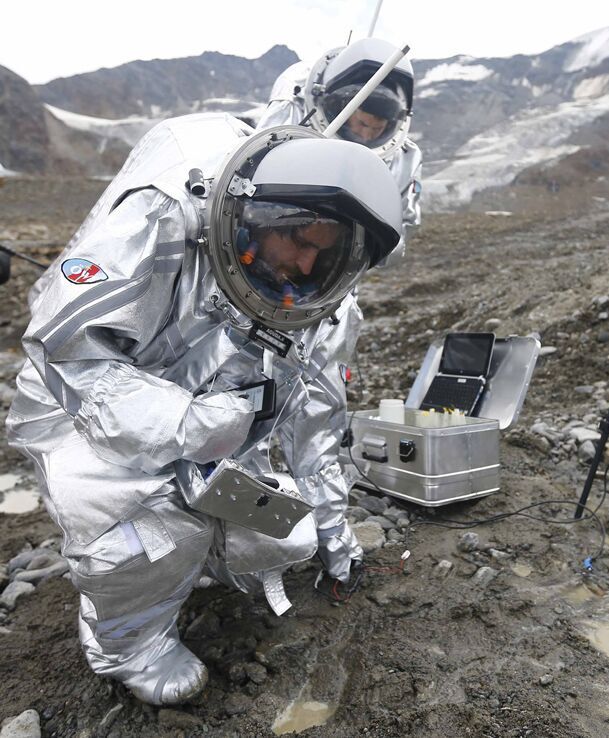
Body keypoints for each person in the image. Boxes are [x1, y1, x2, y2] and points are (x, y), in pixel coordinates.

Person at [5, 111, 403, 705]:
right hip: (81, 412)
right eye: (295, 238)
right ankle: (124, 642)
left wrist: (333, 537)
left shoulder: (323, 314)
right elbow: (66, 350)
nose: (301, 265)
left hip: (209, 436)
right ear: (257, 214)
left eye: (322, 255)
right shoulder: (166, 217)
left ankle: (186, 565)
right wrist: (182, 423)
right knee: (144, 530)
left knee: (284, 533)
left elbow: (317, 435)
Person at [257, 37, 422, 259]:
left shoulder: (402, 157)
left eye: (377, 129)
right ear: (342, 107)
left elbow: (399, 234)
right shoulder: (294, 114)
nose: (366, 135)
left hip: (337, 265)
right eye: (362, 124)